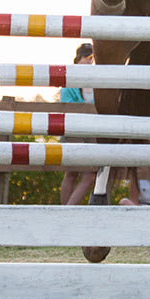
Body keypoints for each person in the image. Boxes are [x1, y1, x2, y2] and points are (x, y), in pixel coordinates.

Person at [58, 44, 97, 205]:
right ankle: (66, 212)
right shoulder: (69, 81)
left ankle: (67, 210)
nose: (89, 63)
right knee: (71, 174)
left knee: (90, 175)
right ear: (78, 59)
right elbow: (67, 105)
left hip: (92, 131)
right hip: (73, 130)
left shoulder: (97, 81)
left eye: (91, 60)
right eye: (86, 59)